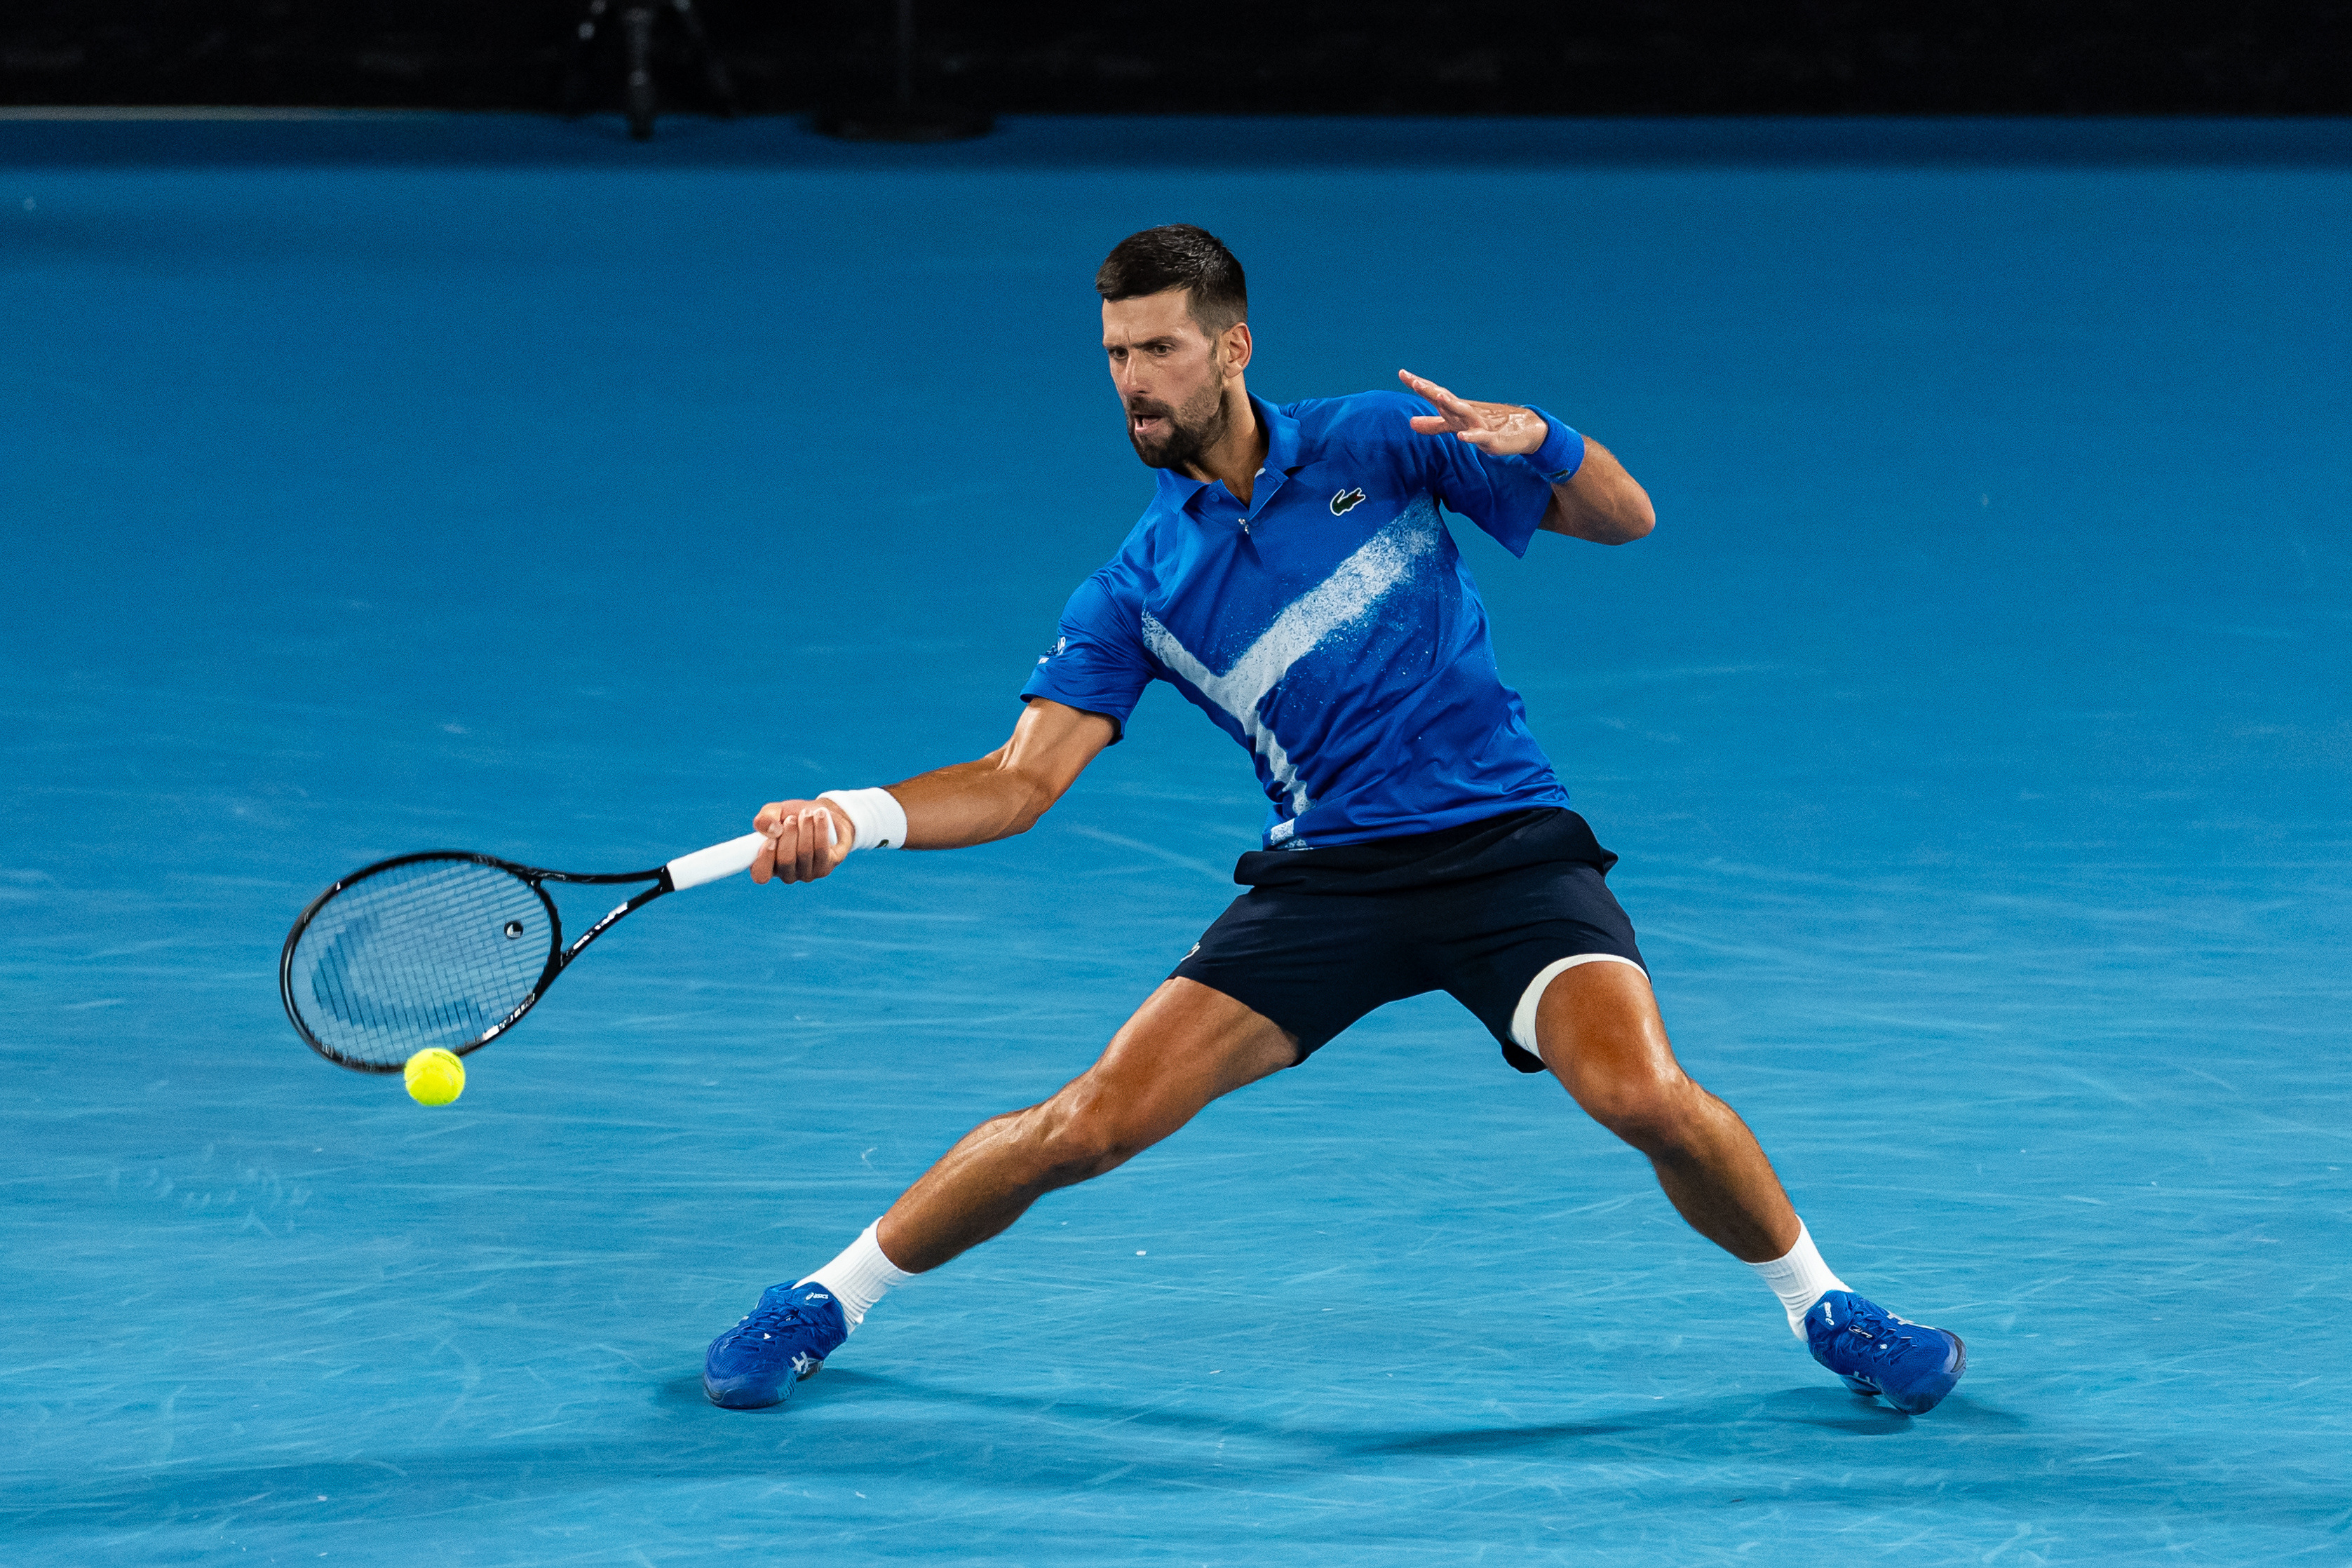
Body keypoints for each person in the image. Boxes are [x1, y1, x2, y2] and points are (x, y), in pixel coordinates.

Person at [702, 224, 1965, 1417]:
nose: (1132, 383)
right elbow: (1020, 780)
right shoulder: (1135, 586)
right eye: (1114, 357)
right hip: (1328, 888)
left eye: (1158, 350)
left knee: (1641, 1094)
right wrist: (853, 814)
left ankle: (1827, 1311)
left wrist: (1541, 441)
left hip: (1504, 852)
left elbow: (1623, 517)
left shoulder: (1383, 439)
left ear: (1232, 347)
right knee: (1085, 1125)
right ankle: (820, 1301)